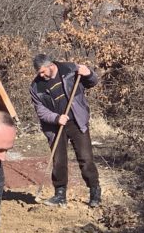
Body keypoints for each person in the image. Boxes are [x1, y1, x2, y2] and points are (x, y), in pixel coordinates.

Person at [30, 54, 101, 208]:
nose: (41, 75)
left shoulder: (70, 69)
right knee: (59, 161)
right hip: (55, 127)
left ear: (50, 65)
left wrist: (88, 73)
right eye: (39, 73)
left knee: (85, 159)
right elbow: (41, 111)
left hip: (77, 121)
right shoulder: (36, 87)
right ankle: (60, 194)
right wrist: (56, 118)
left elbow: (93, 81)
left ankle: (95, 192)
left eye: (43, 72)